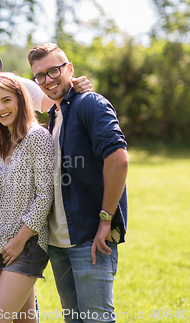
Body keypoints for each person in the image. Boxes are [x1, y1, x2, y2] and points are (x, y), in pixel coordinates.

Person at [27, 43, 129, 323]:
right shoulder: (54, 116)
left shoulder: (89, 103)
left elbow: (118, 160)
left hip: (90, 238)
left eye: (54, 70)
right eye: (40, 76)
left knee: (97, 320)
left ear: (69, 68)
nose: (48, 79)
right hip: (59, 244)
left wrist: (106, 220)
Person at [0, 72, 54, 323]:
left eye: (6, 100)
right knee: (25, 320)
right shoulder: (0, 143)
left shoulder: (38, 137)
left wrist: (20, 240)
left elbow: (46, 195)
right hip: (2, 241)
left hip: (27, 244)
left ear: (20, 100)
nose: (0, 108)